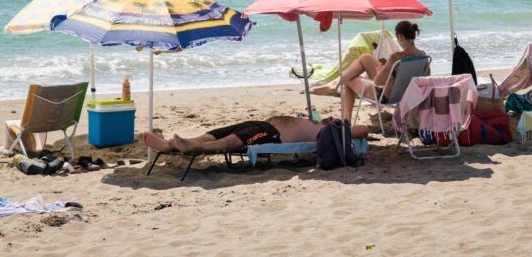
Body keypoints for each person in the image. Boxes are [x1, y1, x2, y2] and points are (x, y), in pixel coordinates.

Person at [313, 21, 427, 122]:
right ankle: (336, 85)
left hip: (386, 96)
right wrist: (390, 72)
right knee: (366, 57)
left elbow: (378, 82)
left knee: (348, 80)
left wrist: (380, 71)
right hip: (404, 94)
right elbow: (424, 78)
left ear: (400, 36)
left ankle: (346, 120)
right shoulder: (423, 56)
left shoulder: (396, 57)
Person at [141, 116, 369, 154]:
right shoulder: (317, 121)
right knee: (216, 133)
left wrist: (340, 127)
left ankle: (193, 148)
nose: (331, 118)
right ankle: (172, 145)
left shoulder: (329, 131)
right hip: (261, 124)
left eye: (335, 120)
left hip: (271, 135)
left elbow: (363, 130)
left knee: (230, 142)